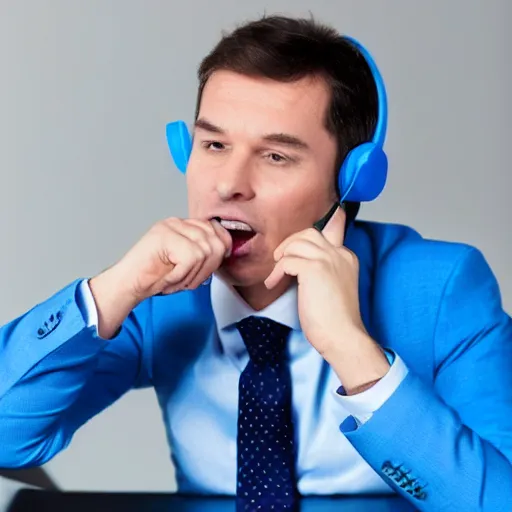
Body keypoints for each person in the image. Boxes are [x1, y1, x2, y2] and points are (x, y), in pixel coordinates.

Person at [0, 14, 511, 512]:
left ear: (352, 179)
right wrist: (111, 291)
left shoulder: (441, 290)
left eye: (275, 156)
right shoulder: (161, 296)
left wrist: (353, 352)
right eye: (214, 145)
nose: (227, 184)